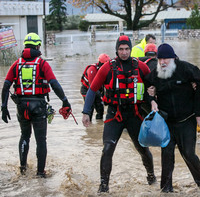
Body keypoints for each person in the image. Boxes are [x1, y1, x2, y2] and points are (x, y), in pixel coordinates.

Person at [81, 35, 156, 193]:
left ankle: (151, 177)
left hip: (135, 115)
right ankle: (103, 186)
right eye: (121, 49)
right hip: (115, 114)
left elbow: (154, 87)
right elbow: (92, 89)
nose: (124, 52)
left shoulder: (141, 67)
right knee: (108, 148)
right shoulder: (107, 68)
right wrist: (86, 112)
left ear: (130, 49)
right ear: (116, 50)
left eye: (127, 49)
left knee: (143, 149)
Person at [1, 32, 71, 178]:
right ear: (38, 46)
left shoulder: (16, 64)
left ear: (25, 46)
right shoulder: (42, 64)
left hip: (21, 106)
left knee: (24, 136)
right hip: (38, 106)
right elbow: (54, 84)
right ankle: (40, 173)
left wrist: (4, 106)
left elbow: (6, 86)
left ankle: (23, 168)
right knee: (41, 140)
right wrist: (65, 100)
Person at [145, 43, 200, 192]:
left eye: (166, 59)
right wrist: (151, 99)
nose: (163, 62)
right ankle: (166, 190)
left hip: (187, 120)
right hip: (167, 123)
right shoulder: (155, 74)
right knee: (166, 156)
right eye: (160, 59)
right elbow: (144, 90)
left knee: (188, 153)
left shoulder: (186, 69)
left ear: (173, 58)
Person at [80, 53, 110, 120]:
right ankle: (88, 127)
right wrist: (101, 96)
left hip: (98, 90)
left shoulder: (107, 70)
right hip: (87, 90)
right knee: (90, 109)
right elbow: (92, 87)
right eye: (104, 65)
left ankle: (98, 125)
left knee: (100, 109)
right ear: (100, 63)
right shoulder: (92, 69)